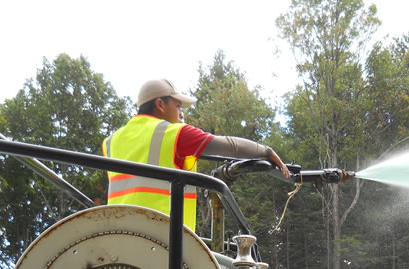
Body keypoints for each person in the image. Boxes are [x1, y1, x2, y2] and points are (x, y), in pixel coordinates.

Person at [102, 78, 290, 228]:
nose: (182, 114)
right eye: (178, 106)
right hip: (161, 236)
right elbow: (229, 146)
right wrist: (266, 151)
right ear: (160, 104)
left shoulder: (111, 142)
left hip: (119, 233)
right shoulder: (174, 133)